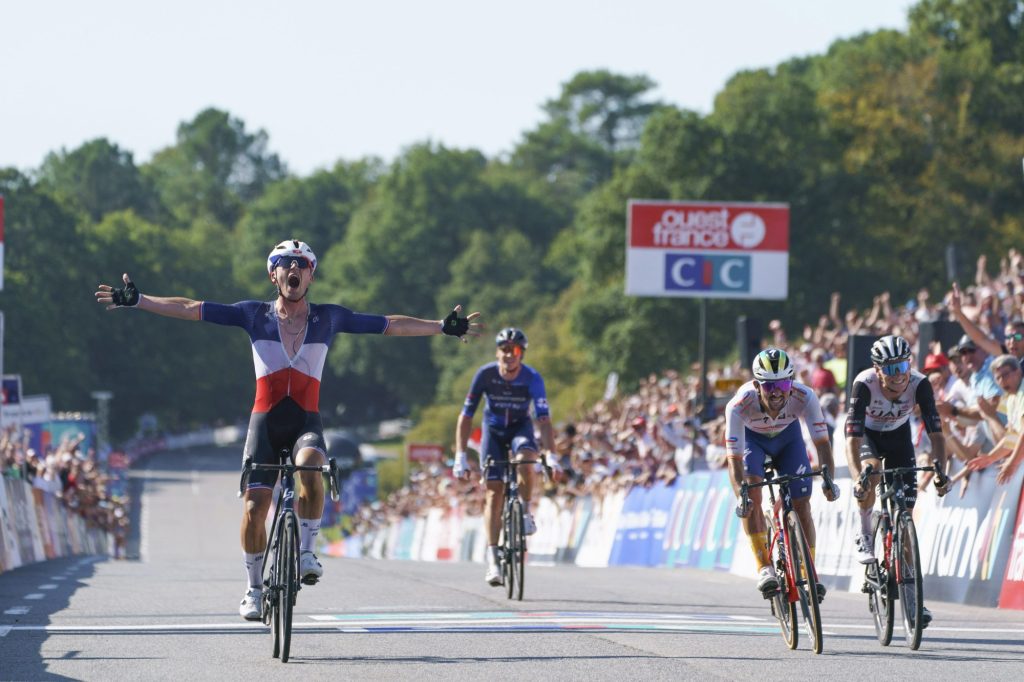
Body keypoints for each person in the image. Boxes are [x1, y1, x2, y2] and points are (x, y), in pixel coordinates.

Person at [95, 239, 481, 620]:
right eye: (285, 263)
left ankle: (307, 552)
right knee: (254, 508)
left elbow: (389, 324)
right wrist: (140, 299)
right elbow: (192, 308)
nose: (293, 269)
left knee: (313, 464)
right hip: (264, 423)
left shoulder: (329, 318)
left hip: (305, 422)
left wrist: (439, 327)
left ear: (311, 275)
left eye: (302, 264)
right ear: (273, 274)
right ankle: (253, 588)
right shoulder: (253, 315)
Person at [845, 334, 949, 627]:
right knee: (872, 471)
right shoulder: (863, 384)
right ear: (878, 370)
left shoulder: (920, 384)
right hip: (868, 437)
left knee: (906, 517)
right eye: (890, 369)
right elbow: (851, 440)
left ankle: (914, 603)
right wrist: (857, 478)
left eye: (902, 365)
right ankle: (865, 533)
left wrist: (941, 472)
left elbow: (936, 434)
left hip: (899, 438)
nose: (898, 374)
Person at [725, 348, 839, 598]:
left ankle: (807, 570)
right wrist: (740, 495)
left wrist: (828, 478)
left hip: (789, 440)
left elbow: (822, 444)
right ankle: (764, 567)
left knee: (802, 504)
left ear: (792, 382)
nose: (777, 392)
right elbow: (733, 459)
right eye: (768, 386)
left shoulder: (805, 396)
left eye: (783, 383)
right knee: (752, 494)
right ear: (756, 385)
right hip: (752, 441)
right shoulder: (738, 405)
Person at [452, 327, 560, 586]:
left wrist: (551, 455)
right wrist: (459, 455)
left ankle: (523, 512)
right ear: (497, 352)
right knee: (493, 491)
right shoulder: (485, 375)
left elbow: (544, 421)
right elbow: (465, 417)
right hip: (493, 431)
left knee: (526, 458)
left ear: (522, 354)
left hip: (520, 428)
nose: (509, 355)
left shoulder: (532, 378)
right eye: (504, 350)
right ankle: (492, 559)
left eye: (515, 351)